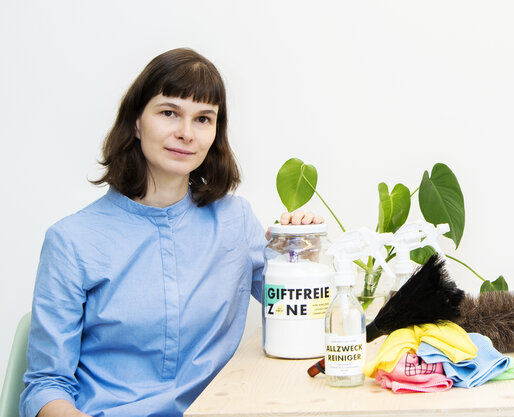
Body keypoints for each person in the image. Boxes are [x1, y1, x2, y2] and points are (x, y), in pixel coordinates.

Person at [20, 48, 321, 417]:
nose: (186, 134)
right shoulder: (71, 241)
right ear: (135, 122)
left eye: (203, 119)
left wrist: (303, 254)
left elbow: (298, 318)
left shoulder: (235, 221)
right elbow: (46, 385)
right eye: (169, 113)